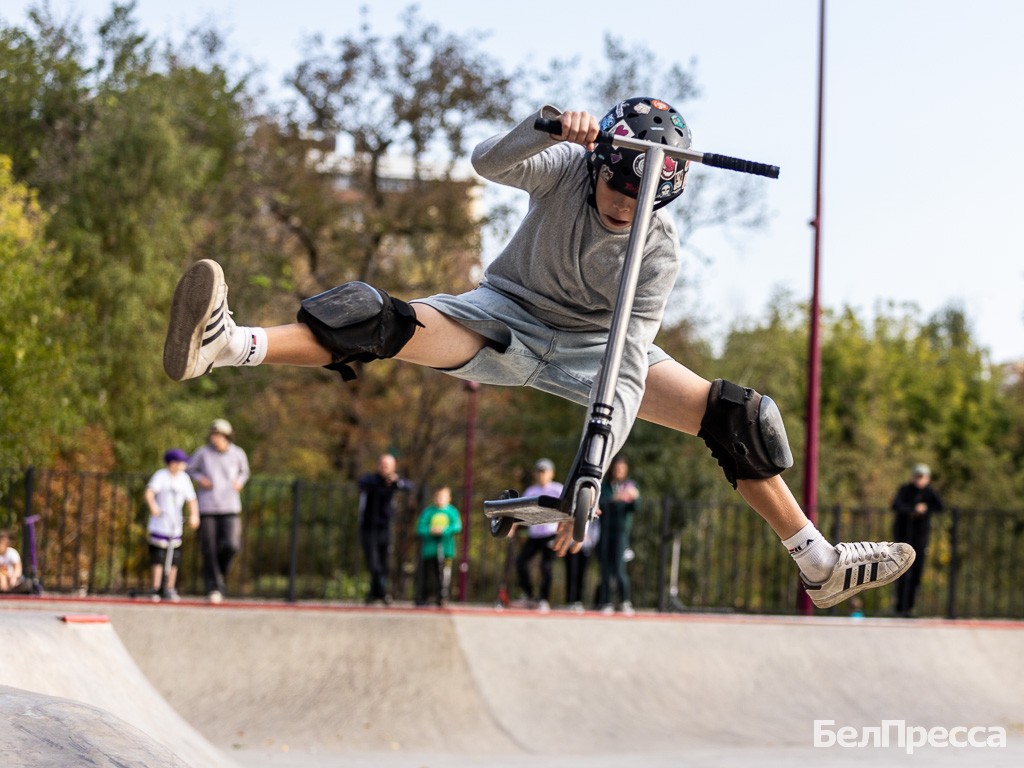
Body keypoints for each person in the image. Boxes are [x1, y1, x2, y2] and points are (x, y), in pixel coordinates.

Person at [163, 96, 915, 610]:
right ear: (599, 169)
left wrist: (587, 475)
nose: (618, 209)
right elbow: (488, 164)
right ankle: (229, 344)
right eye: (612, 195)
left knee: (740, 416)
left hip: (601, 347)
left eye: (634, 206)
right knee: (377, 317)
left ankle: (818, 564)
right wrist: (549, 126)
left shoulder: (656, 253)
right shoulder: (566, 166)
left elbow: (624, 368)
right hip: (504, 316)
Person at [186, 419, 250, 603]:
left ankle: (219, 573)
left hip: (230, 506)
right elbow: (189, 469)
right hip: (207, 506)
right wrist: (200, 479)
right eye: (213, 435)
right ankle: (214, 587)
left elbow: (245, 472)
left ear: (227, 436)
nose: (215, 438)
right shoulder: (203, 453)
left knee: (232, 545)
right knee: (209, 548)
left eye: (219, 435)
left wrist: (239, 482)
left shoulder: (237, 453)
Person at [144, 448, 200, 601]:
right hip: (161, 522)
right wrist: (154, 507)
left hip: (175, 524)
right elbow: (149, 493)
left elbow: (191, 499)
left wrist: (195, 515)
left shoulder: (184, 479)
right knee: (158, 555)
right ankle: (156, 587)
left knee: (174, 556)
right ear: (173, 463)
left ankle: (170, 587)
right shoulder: (161, 476)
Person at [357, 453, 414, 605]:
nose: (384, 468)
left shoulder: (395, 482)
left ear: (393, 468)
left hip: (385, 527)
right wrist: (381, 482)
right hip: (368, 526)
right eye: (382, 465)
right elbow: (362, 482)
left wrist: (396, 482)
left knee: (384, 563)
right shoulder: (371, 480)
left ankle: (375, 594)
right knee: (373, 562)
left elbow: (409, 487)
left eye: (387, 466)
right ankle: (381, 593)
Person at [891, 463, 944, 617]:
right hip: (903, 537)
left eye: (922, 477)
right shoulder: (905, 490)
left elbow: (940, 507)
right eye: (917, 476)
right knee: (901, 572)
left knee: (916, 573)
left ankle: (909, 607)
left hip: (920, 538)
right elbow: (896, 505)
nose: (919, 480)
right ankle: (900, 607)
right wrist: (913, 509)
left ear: (927, 478)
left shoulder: (929, 493)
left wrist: (925, 509)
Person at [514, 458, 563, 611]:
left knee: (546, 566)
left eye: (544, 472)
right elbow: (521, 511)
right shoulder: (531, 491)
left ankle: (543, 598)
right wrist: (513, 526)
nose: (541, 475)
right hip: (535, 534)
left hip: (550, 533)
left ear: (551, 473)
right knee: (521, 562)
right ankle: (528, 594)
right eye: (539, 472)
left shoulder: (558, 489)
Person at [596, 455, 640, 615]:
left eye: (621, 469)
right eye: (616, 468)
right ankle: (606, 602)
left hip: (621, 532)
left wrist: (634, 497)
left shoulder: (629, 485)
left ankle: (625, 601)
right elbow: (601, 503)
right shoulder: (605, 486)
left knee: (620, 568)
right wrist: (616, 498)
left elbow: (634, 507)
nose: (618, 471)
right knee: (605, 569)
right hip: (606, 530)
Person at [415, 486, 462, 606]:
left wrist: (444, 530)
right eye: (437, 496)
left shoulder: (452, 511)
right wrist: (430, 530)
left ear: (449, 498)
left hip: (446, 550)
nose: (439, 499)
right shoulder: (428, 512)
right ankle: (424, 596)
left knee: (444, 574)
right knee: (428, 574)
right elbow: (420, 527)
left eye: (443, 496)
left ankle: (441, 596)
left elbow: (457, 526)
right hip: (429, 550)